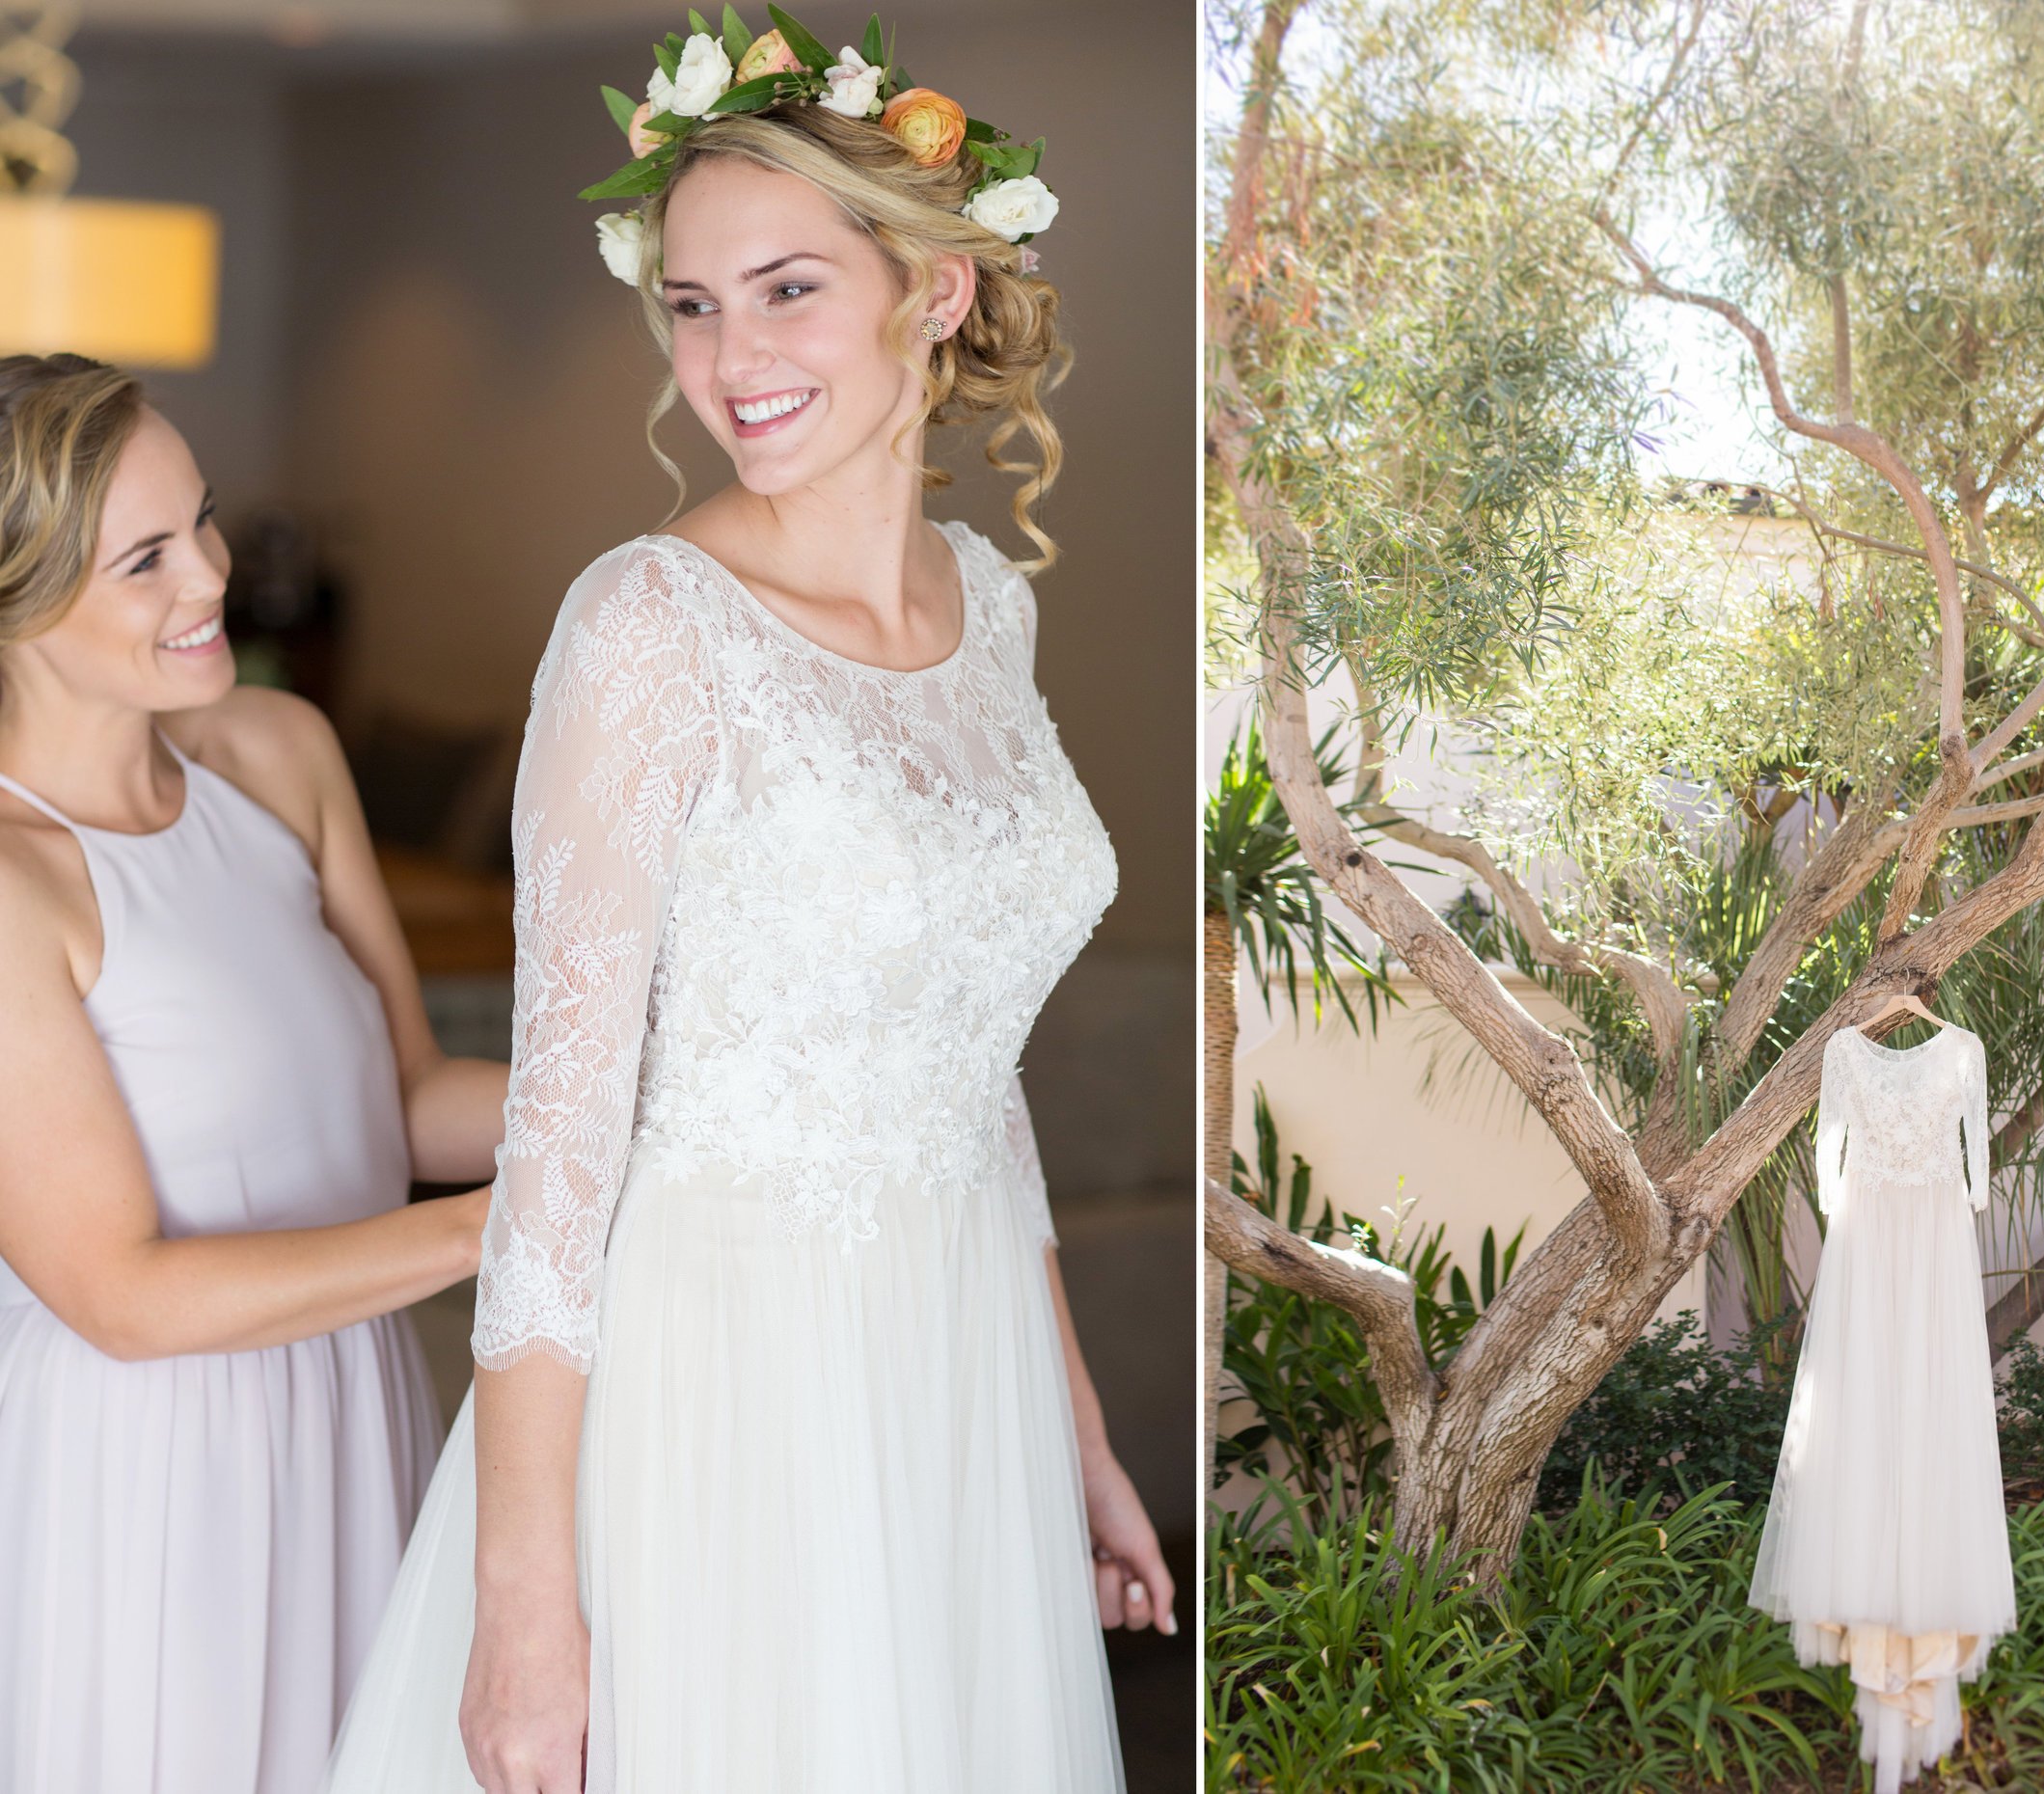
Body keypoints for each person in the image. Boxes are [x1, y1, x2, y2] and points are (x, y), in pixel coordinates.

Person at [324, 16, 1171, 1792]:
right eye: (694, 305)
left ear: (933, 292)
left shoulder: (990, 611)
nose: (729, 358)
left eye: (785, 290)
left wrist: (1077, 1425)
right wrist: (526, 1604)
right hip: (715, 1384)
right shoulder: (648, 626)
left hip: (956, 1378)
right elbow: (559, 1147)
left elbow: (969, 1064)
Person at [0, 352, 506, 1794]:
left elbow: (403, 1100)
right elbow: (124, 1296)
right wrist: (491, 1232)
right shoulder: (13, 884)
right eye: (146, 559)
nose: (214, 576)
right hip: (154, 1463)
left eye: (202, 521)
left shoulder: (279, 755)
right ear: (17, 598)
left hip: (356, 1392)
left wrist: (650, 1109)